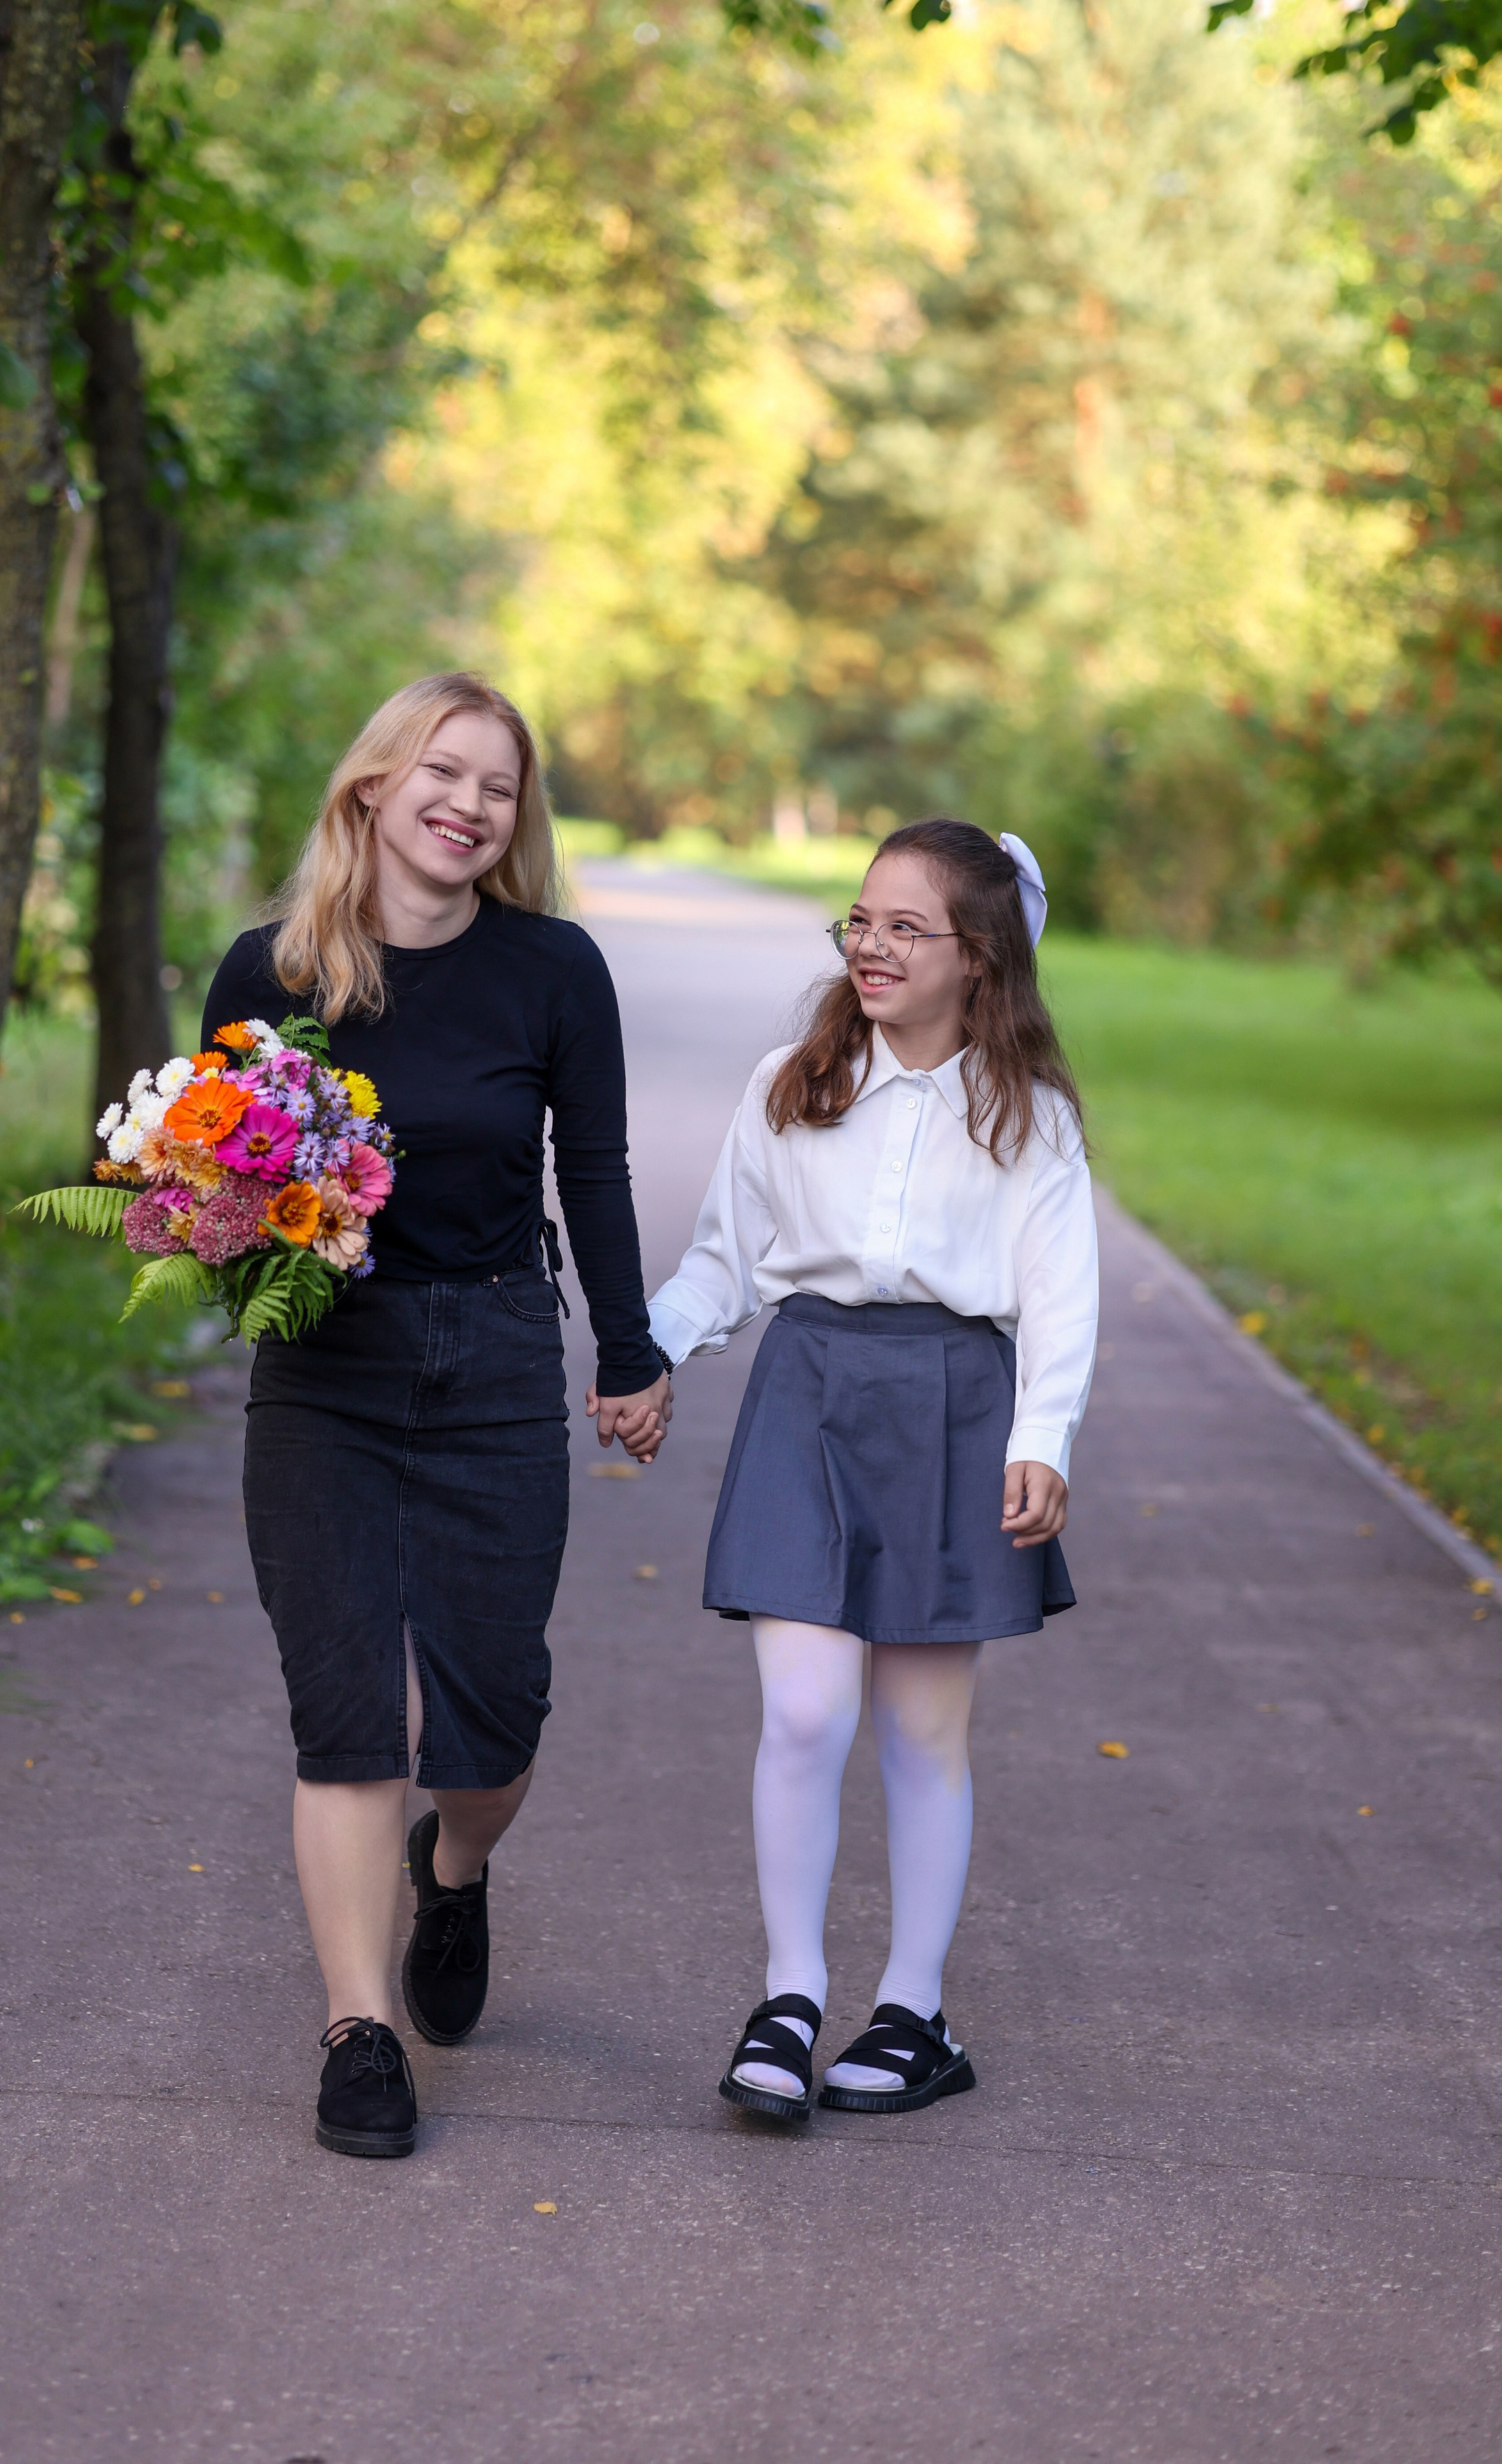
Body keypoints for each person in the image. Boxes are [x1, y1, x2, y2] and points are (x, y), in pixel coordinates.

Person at [202, 672, 672, 2159]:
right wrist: (228, 1243)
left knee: (486, 1724)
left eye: (497, 788)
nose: (469, 807)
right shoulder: (264, 975)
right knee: (347, 1717)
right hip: (325, 1375)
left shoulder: (551, 971)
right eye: (442, 774)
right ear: (371, 786)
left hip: (488, 1361)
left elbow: (588, 1172)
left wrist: (627, 1347)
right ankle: (360, 2033)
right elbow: (206, 1192)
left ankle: (453, 1870)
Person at [646, 818, 1097, 2124]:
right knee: (802, 1712)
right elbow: (727, 1256)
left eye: (909, 928)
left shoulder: (1028, 1113)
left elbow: (1058, 1300)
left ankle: (913, 2010)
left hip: (957, 1410)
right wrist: (652, 1350)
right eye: (860, 921)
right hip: (811, 1396)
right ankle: (789, 1999)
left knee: (920, 1728)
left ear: (982, 956)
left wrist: (1041, 1440)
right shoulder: (796, 1077)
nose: (873, 948)